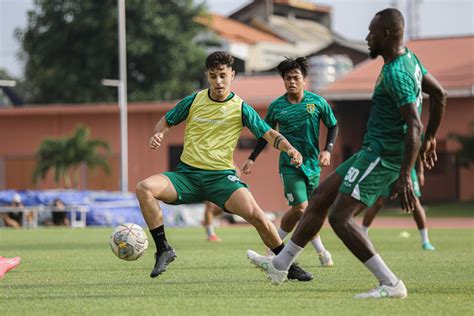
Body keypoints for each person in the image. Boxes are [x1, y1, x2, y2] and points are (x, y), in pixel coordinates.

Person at [247, 8, 447, 299]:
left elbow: (414, 125)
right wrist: (432, 137)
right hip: (370, 150)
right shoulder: (410, 59)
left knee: (341, 218)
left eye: (371, 32)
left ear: (386, 34)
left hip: (382, 155)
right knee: (320, 198)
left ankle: (391, 284)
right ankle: (280, 264)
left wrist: (406, 175)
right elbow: (440, 94)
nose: (367, 38)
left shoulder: (396, 73)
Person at [136, 51, 312, 281]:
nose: (218, 81)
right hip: (187, 177)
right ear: (207, 76)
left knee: (258, 216)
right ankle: (164, 249)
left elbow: (268, 133)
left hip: (221, 179)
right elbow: (166, 121)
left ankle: (286, 264)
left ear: (232, 75)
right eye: (213, 76)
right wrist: (158, 134)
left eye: (222, 75)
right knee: (144, 188)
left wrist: (289, 148)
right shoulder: (194, 100)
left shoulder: (240, 108)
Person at [241, 57, 338, 267]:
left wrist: (327, 150)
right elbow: (265, 134)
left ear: (304, 80)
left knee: (308, 211)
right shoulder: (277, 106)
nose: (291, 81)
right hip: (289, 166)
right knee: (302, 208)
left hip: (313, 165)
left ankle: (272, 247)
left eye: (295, 77)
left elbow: (333, 126)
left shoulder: (317, 102)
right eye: (287, 78)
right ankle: (310, 253)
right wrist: (252, 158)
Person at [361, 158, 435, 251]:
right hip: (387, 168)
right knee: (378, 202)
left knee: (415, 202)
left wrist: (420, 171)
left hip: (408, 170)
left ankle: (425, 241)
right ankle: (362, 234)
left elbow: (417, 148)